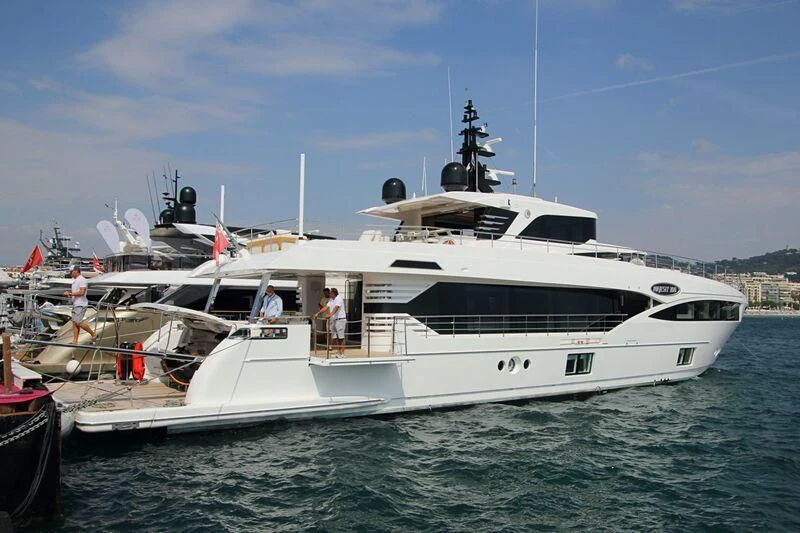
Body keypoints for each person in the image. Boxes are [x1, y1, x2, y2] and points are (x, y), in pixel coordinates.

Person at [63, 265, 96, 344]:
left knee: (78, 322)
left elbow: (81, 292)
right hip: (76, 304)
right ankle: (75, 341)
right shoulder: (75, 281)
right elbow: (76, 293)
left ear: (76, 271)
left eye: (71, 272)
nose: (70, 273)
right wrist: (70, 295)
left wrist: (70, 294)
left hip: (81, 304)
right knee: (75, 323)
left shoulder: (82, 280)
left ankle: (93, 334)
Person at [312, 287, 346, 357]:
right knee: (336, 337)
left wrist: (330, 314)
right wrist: (318, 313)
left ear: (333, 293)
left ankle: (342, 353)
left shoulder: (339, 299)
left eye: (330, 293)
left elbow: (336, 308)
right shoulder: (331, 299)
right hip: (334, 320)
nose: (329, 294)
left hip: (340, 320)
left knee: (341, 337)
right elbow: (326, 307)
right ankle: (339, 352)